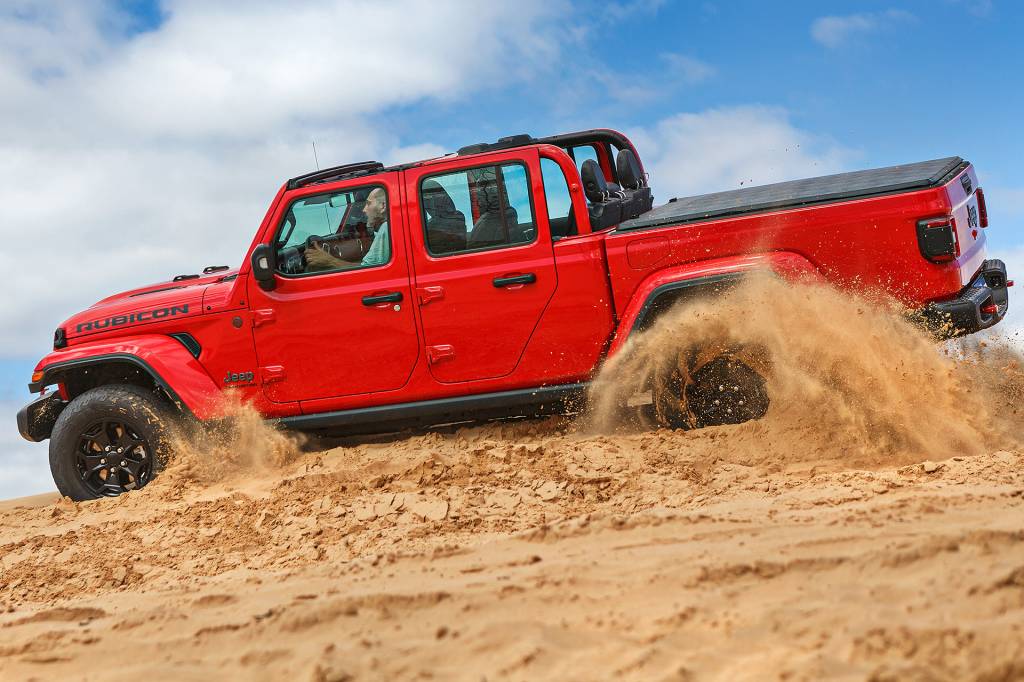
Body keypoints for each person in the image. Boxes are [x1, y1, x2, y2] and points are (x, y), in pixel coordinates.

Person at [305, 187, 390, 271]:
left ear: (382, 206)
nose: (364, 209)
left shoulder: (385, 228)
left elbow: (366, 271)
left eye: (368, 204)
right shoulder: (383, 230)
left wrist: (329, 261)